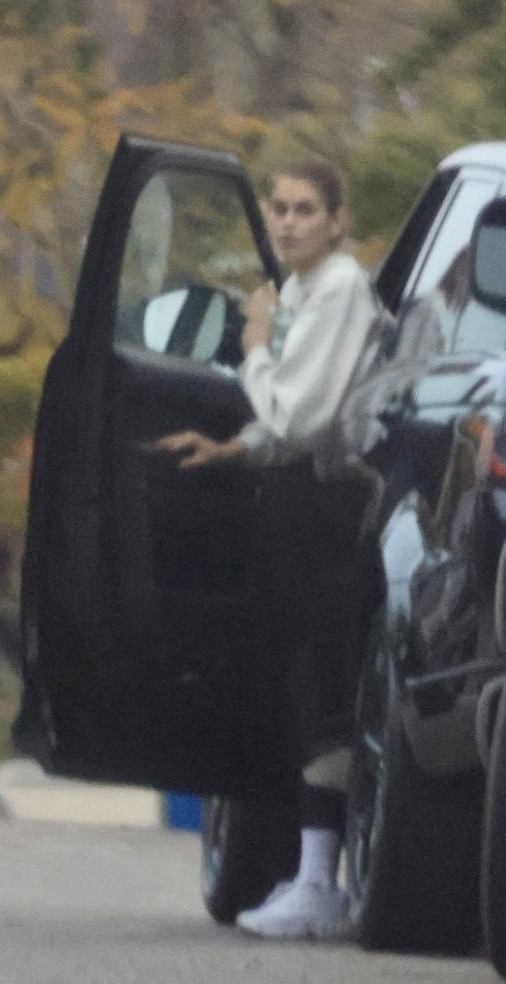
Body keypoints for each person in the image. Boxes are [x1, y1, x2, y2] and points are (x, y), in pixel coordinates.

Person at [154, 156, 382, 939]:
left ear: (336, 220)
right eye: (279, 208)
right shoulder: (303, 293)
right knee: (294, 684)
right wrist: (230, 450)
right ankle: (307, 874)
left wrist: (253, 344)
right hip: (290, 499)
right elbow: (276, 428)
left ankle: (320, 881)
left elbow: (300, 415)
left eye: (305, 209)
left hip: (324, 507)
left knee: (322, 690)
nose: (287, 222)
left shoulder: (342, 291)